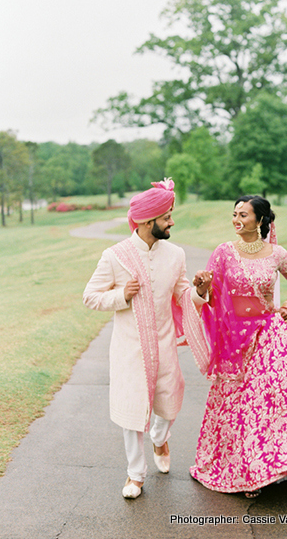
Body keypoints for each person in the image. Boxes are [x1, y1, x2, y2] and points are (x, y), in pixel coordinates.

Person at [190, 195, 287, 497]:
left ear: (260, 220)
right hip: (235, 340)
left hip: (270, 335)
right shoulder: (223, 253)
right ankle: (246, 472)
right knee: (239, 407)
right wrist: (202, 287)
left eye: (243, 215)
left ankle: (276, 469)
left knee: (273, 404)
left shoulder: (277, 254)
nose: (236, 220)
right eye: (234, 214)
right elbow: (213, 297)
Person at [83, 178, 211, 499]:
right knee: (131, 410)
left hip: (165, 344)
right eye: (167, 216)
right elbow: (90, 296)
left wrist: (199, 290)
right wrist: (120, 296)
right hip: (130, 350)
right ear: (146, 221)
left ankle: (159, 435)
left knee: (169, 403)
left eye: (171, 214)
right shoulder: (115, 256)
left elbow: (182, 294)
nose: (172, 221)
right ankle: (135, 475)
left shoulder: (176, 254)